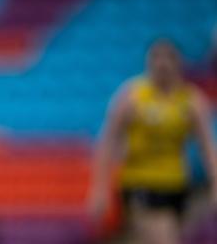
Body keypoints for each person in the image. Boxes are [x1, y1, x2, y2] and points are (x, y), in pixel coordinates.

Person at [88, 40, 217, 244]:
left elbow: (208, 147)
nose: (162, 64)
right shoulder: (131, 96)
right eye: (156, 58)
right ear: (148, 62)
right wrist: (100, 189)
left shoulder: (191, 101)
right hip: (140, 182)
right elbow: (107, 142)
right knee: (165, 239)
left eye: (168, 58)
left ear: (179, 63)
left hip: (178, 183)